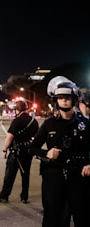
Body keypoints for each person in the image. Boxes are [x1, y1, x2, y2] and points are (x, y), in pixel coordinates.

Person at [30, 76, 90, 227]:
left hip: (79, 176)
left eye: (67, 98)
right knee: (53, 217)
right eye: (60, 98)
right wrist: (46, 153)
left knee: (82, 215)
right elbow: (32, 148)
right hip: (53, 175)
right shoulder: (49, 124)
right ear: (56, 100)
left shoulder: (84, 124)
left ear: (74, 100)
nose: (64, 100)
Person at [0, 99, 38, 203]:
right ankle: (24, 197)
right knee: (26, 174)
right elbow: (36, 136)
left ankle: (4, 196)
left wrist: (4, 150)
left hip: (16, 151)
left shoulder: (17, 120)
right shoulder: (33, 121)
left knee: (10, 174)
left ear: (17, 109)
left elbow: (9, 136)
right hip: (27, 151)